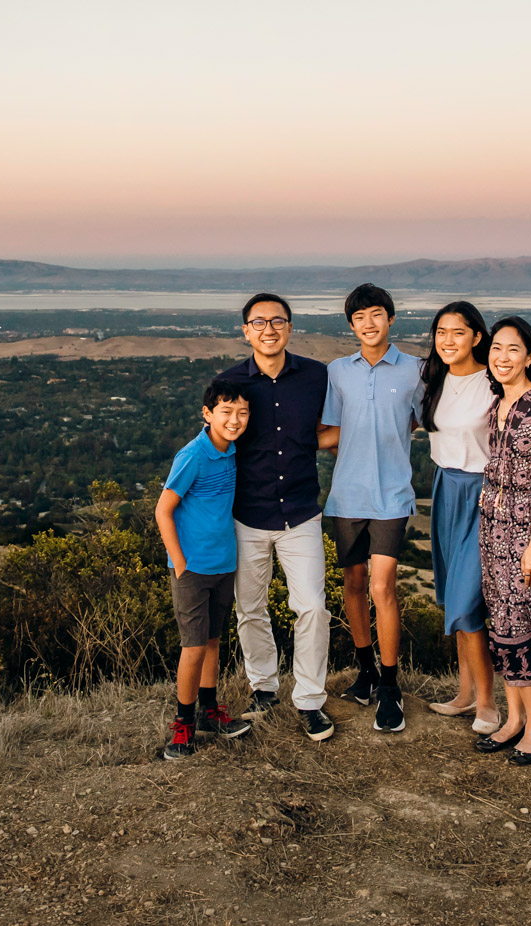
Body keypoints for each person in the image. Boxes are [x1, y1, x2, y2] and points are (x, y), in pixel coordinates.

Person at [415, 302, 531, 737]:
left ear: (476, 337)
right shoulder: (434, 378)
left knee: (468, 604)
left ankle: (489, 705)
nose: (448, 340)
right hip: (445, 489)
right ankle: (466, 693)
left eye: (458, 332)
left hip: (485, 496)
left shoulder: (493, 381)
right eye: (440, 332)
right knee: (454, 599)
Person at [213, 293, 338, 742]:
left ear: (289, 327)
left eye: (277, 320)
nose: (269, 329)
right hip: (246, 515)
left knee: (312, 609)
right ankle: (263, 689)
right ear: (245, 330)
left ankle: (309, 700)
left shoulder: (317, 376)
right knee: (250, 609)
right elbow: (214, 444)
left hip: (301, 512)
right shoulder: (229, 384)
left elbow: (336, 427)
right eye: (258, 322)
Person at [319, 283, 425, 732]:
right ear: (351, 325)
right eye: (360, 317)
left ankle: (389, 686)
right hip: (347, 495)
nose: (369, 323)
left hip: (392, 496)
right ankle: (364, 673)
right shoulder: (338, 372)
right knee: (354, 583)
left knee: (384, 588)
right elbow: (330, 431)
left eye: (377, 314)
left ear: (391, 319)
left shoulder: (416, 369)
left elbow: (429, 417)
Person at [473, 316, 531, 767]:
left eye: (513, 349)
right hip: (491, 529)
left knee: (523, 626)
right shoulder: (497, 402)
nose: (502, 357)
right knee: (502, 625)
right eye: (496, 348)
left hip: (526, 530)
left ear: (530, 356)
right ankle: (511, 721)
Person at [155, 380, 257, 759]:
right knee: (193, 646)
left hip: (223, 565)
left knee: (213, 641)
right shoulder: (193, 455)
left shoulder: (232, 450)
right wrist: (180, 562)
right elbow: (163, 510)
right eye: (226, 412)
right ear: (207, 414)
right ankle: (183, 724)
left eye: (242, 413)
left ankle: (211, 712)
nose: (234, 420)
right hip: (193, 569)